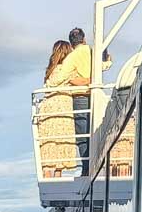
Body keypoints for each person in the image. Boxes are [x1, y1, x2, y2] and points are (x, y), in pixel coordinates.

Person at [48, 28, 112, 175]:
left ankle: (87, 169)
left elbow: (56, 80)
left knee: (83, 136)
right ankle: (97, 165)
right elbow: (104, 66)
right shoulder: (92, 52)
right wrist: (107, 63)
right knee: (97, 131)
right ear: (84, 39)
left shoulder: (72, 57)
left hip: (80, 97)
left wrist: (71, 80)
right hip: (95, 96)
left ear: (71, 42)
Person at [38, 40, 78, 178]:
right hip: (63, 108)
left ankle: (48, 179)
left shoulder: (51, 70)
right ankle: (57, 178)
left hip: (49, 109)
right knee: (61, 145)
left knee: (50, 148)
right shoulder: (67, 71)